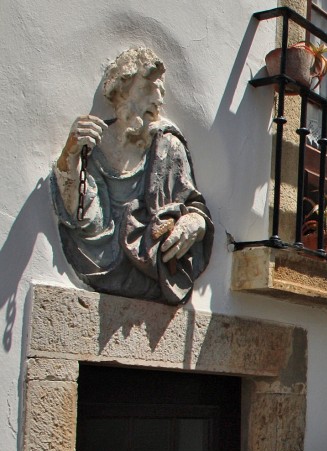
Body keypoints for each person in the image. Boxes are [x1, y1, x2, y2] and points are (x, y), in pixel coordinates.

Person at [50, 47, 213, 305]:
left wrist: (194, 223)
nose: (157, 100)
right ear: (122, 90)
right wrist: (70, 155)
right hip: (99, 258)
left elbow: (193, 205)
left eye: (160, 92)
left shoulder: (167, 146)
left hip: (156, 261)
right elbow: (81, 215)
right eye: (148, 89)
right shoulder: (93, 147)